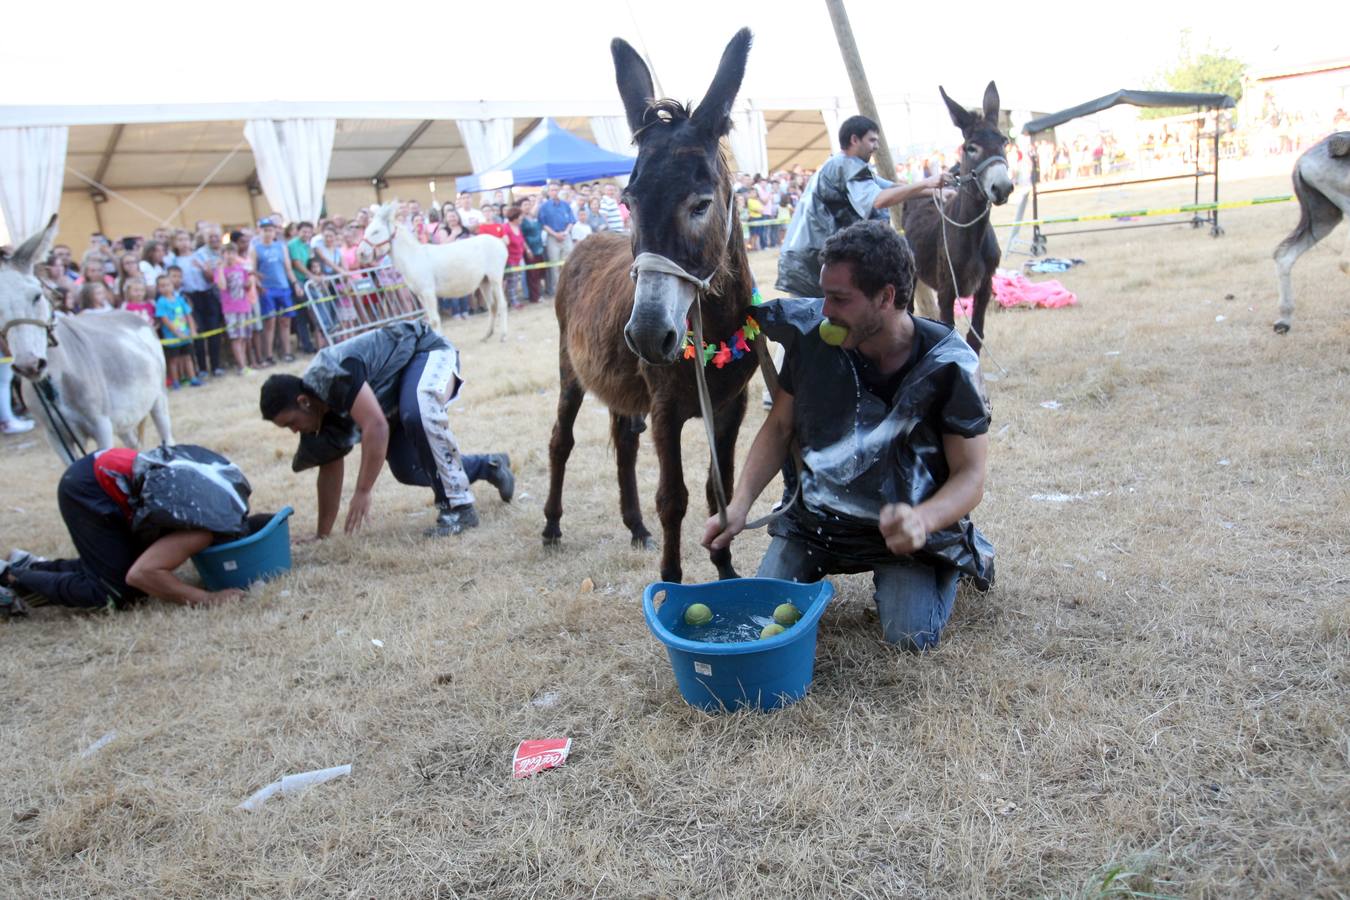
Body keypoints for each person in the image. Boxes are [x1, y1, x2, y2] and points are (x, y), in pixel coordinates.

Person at [703, 221, 994, 652]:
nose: (825, 312)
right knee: (757, 619)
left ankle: (952, 560)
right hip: (813, 523)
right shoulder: (814, 342)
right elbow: (780, 427)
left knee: (909, 640)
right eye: (824, 295)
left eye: (840, 299)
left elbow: (970, 476)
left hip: (900, 536)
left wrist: (923, 521)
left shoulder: (949, 365)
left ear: (886, 297)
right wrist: (740, 503)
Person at [259, 321, 516, 538]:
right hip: (394, 396)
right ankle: (488, 466)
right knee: (409, 468)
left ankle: (459, 509)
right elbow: (330, 465)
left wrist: (362, 491)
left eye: (290, 423)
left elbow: (377, 427)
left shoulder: (329, 375)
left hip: (425, 352)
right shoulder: (316, 418)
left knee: (417, 409)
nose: (294, 431)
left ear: (302, 402)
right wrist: (322, 536)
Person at [0, 447, 256, 614]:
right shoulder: (205, 530)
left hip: (110, 469)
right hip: (91, 488)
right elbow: (142, 575)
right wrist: (207, 599)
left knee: (112, 567)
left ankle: (29, 565)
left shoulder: (231, 507)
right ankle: (12, 578)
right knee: (116, 592)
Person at [776, 115, 945, 297]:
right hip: (812, 261)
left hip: (806, 256)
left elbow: (891, 187)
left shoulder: (838, 164)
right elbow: (879, 200)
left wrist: (935, 190)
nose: (876, 146)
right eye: (872, 140)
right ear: (854, 139)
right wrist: (927, 183)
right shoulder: (847, 166)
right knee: (820, 318)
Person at [251, 218, 299, 365]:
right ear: (260, 231)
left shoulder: (281, 247)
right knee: (270, 322)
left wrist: (295, 283)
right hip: (267, 289)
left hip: (283, 287)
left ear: (274, 232)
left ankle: (287, 352)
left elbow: (288, 267)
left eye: (270, 230)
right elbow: (253, 270)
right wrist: (259, 285)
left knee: (285, 322)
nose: (267, 233)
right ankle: (269, 355)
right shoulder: (256, 249)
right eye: (265, 230)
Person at [215, 243, 257, 375]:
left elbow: (247, 286)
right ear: (222, 255)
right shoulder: (220, 271)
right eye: (227, 253)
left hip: (244, 306)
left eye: (232, 253)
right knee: (236, 338)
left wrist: (249, 282)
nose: (230, 256)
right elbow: (222, 286)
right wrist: (220, 269)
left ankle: (244, 365)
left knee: (244, 337)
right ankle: (241, 366)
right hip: (230, 309)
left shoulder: (241, 268)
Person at [155, 274, 201, 388]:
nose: (165, 288)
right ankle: (176, 381)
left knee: (188, 357)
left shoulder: (180, 299)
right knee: (174, 360)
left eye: (168, 285)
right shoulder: (161, 302)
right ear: (158, 288)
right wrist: (177, 333)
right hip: (172, 337)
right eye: (162, 286)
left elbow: (188, 315)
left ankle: (193, 378)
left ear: (172, 285)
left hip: (185, 335)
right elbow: (165, 320)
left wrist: (193, 329)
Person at [536, 183, 575, 297]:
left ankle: (569, 288)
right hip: (552, 238)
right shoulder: (544, 207)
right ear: (548, 192)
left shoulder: (565, 205)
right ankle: (557, 291)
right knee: (554, 265)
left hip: (566, 236)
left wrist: (565, 232)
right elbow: (543, 224)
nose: (554, 192)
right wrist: (555, 234)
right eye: (552, 190)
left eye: (556, 190)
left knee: (568, 263)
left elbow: (571, 221)